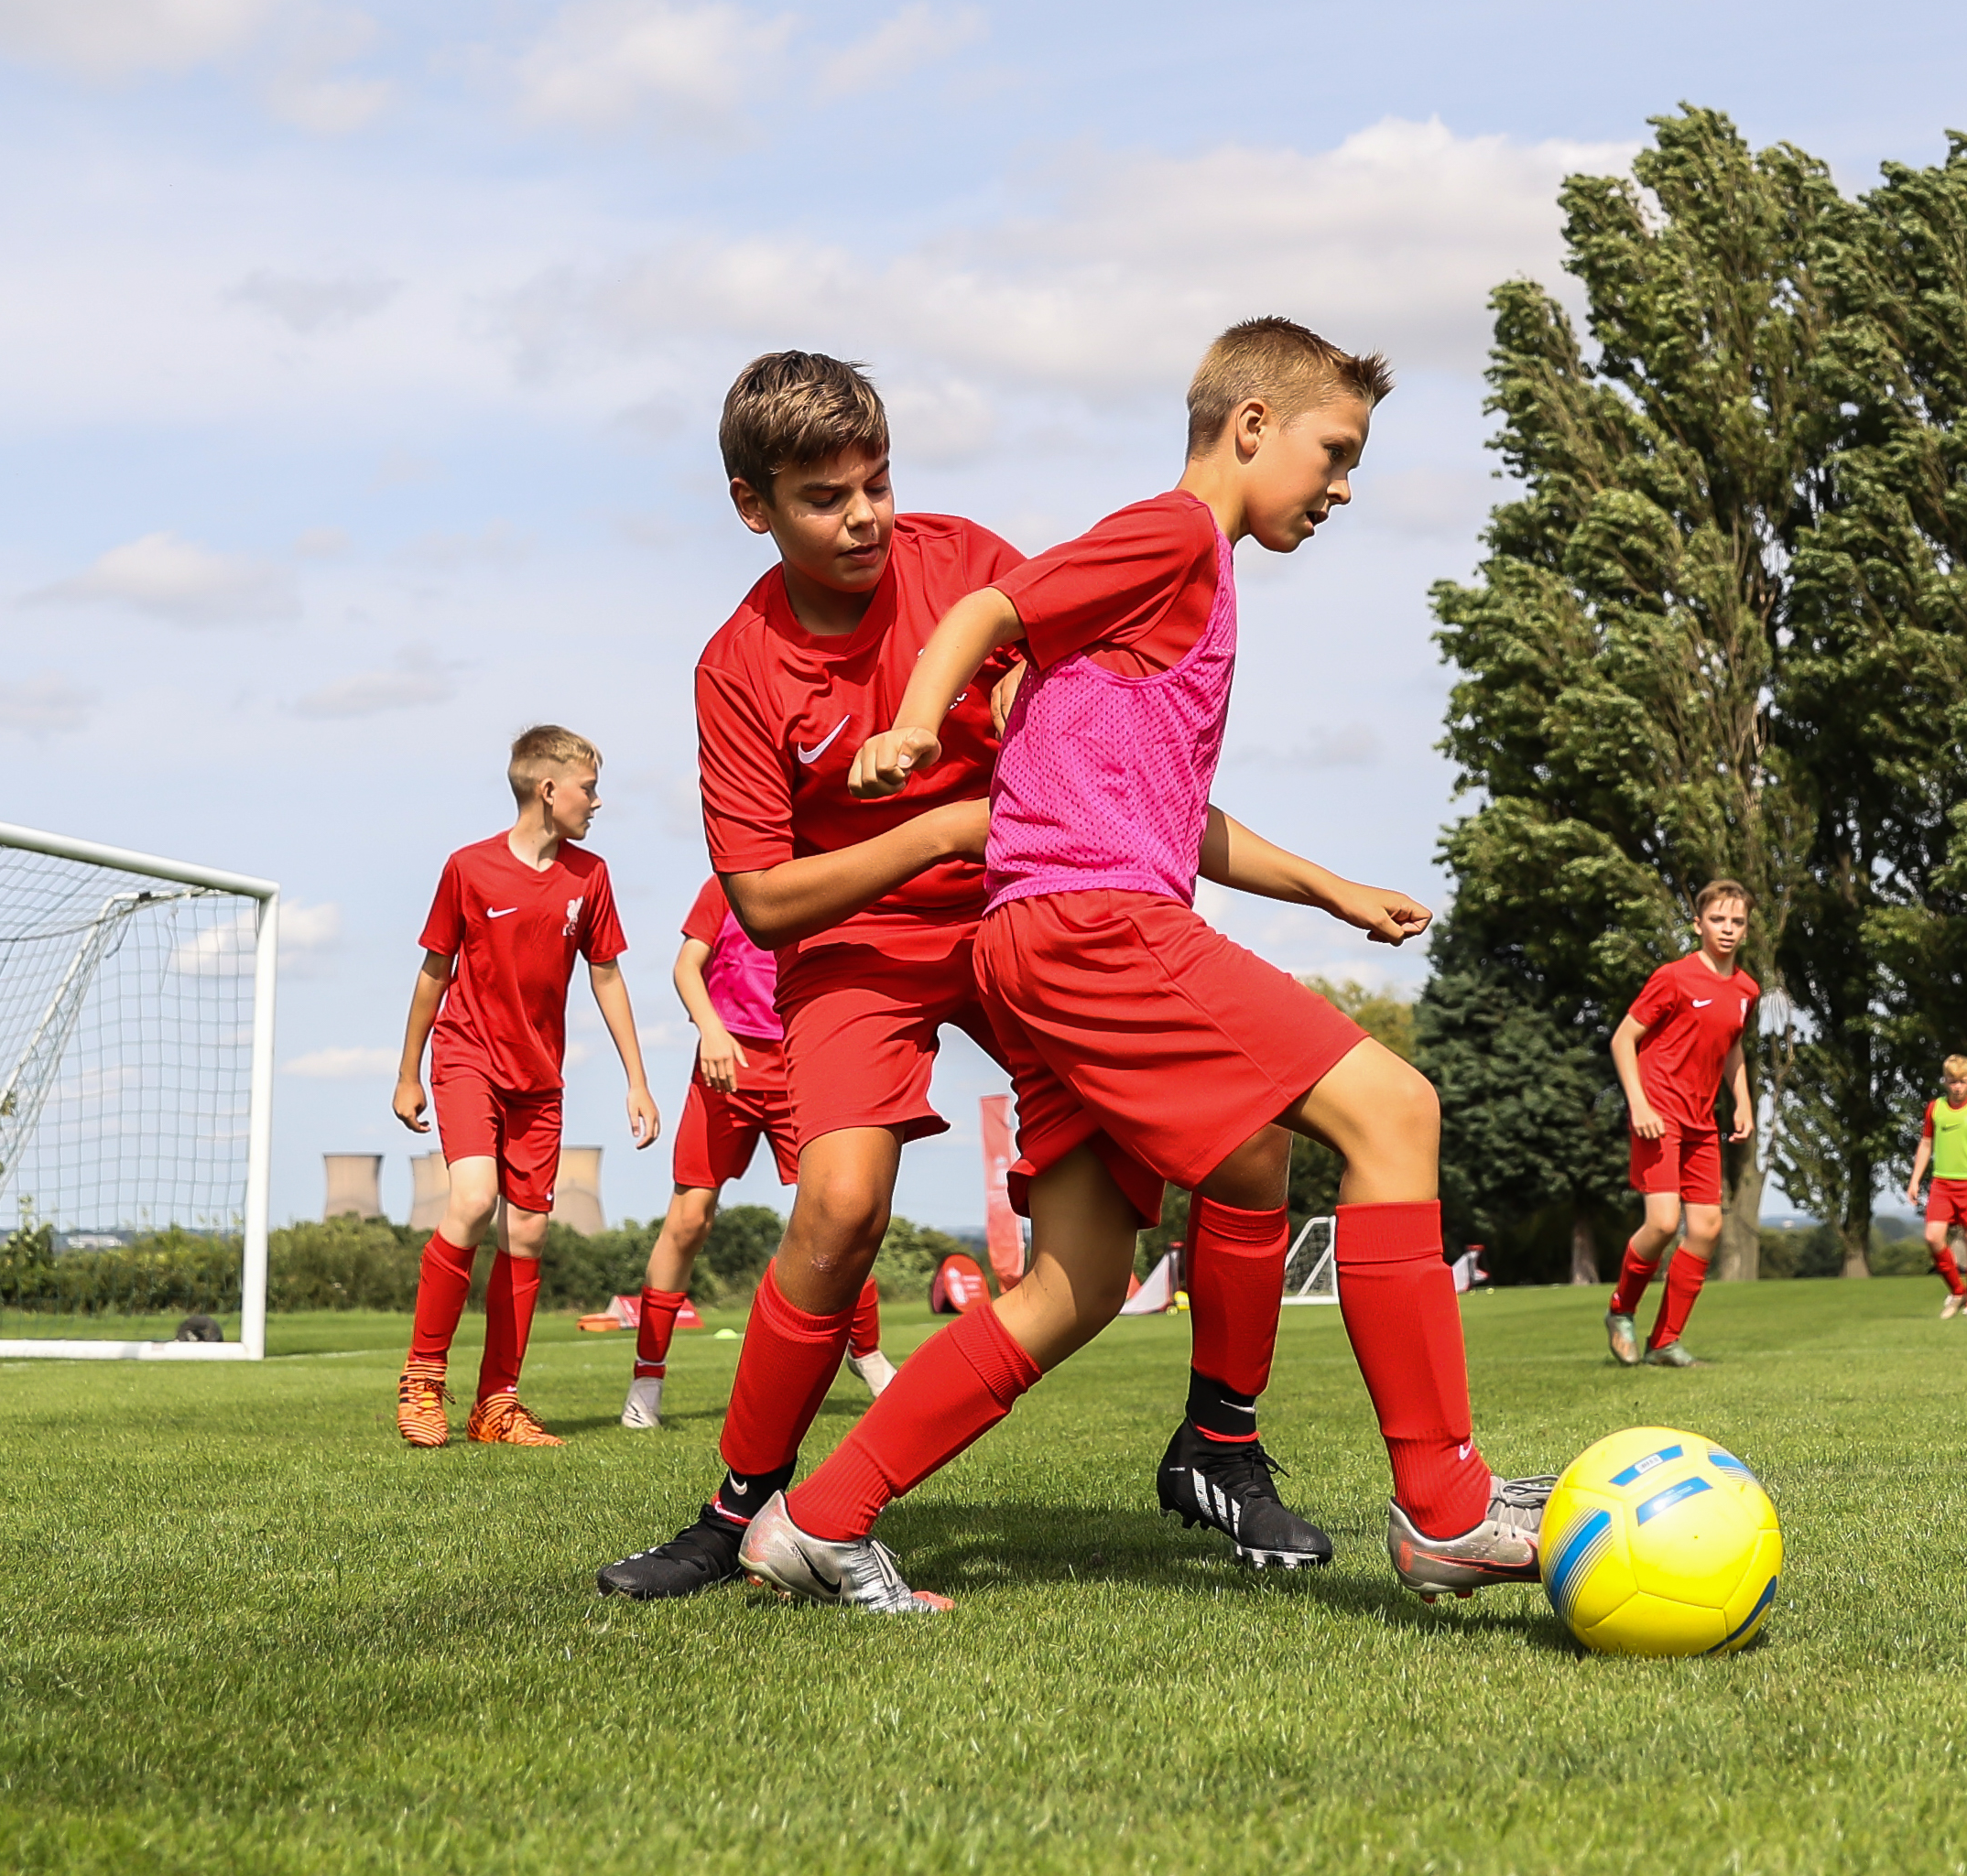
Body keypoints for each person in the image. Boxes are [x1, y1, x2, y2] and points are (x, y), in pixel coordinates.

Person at [743, 318, 1550, 1613]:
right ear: (1249, 428)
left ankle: (817, 1520)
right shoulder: (1176, 535)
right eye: (1333, 454)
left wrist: (1332, 889)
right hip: (1091, 927)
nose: (1342, 487)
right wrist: (905, 727)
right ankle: (1443, 1505)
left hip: (1039, 937)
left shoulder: (1176, 598)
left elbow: (1174, 812)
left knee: (1077, 1286)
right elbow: (993, 604)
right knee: (1395, 1110)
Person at [598, 352, 1321, 1600]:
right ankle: (735, 1512)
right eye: (826, 497)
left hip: (1022, 920)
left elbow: (1111, 739)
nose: (866, 516)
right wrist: (935, 831)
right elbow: (764, 907)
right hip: (857, 951)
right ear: (750, 506)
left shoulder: (967, 560)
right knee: (838, 1210)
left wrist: (1310, 881)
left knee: (1197, 1181)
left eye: (877, 482)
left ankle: (1223, 1444)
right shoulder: (736, 668)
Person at [391, 726, 657, 1449]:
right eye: (588, 788)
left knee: (531, 1230)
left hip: (540, 1079)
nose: (597, 802)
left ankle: (496, 1405)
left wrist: (638, 1080)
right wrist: (409, 1070)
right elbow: (433, 975)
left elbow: (606, 976)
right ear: (548, 789)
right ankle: (422, 1380)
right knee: (473, 1201)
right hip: (467, 1055)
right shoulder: (467, 869)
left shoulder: (591, 876)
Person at [620, 879, 892, 1431]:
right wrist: (711, 1029)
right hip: (725, 1071)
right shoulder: (724, 886)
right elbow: (685, 967)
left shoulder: (832, 872)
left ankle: (867, 1355)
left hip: (802, 1064)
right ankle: (646, 1381)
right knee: (688, 1222)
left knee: (839, 1210)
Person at [1603, 885, 1763, 1367]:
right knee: (1663, 1223)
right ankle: (1621, 1311)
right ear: (1698, 924)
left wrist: (1744, 1102)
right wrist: (1639, 1105)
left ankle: (1665, 1342)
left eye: (1737, 922)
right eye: (1718, 920)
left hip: (1701, 1122)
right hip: (1658, 1115)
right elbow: (1622, 1039)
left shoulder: (1747, 990)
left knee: (1707, 1227)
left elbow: (1731, 1047)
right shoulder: (1673, 978)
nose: (1728, 929)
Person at [1903, 1057, 1967, 1319]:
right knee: (1933, 1237)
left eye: (1962, 1082)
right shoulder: (1935, 1108)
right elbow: (1926, 1143)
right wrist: (1915, 1179)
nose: (1957, 1087)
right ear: (1945, 1081)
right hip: (1942, 1183)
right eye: (1952, 1081)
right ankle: (1958, 1291)